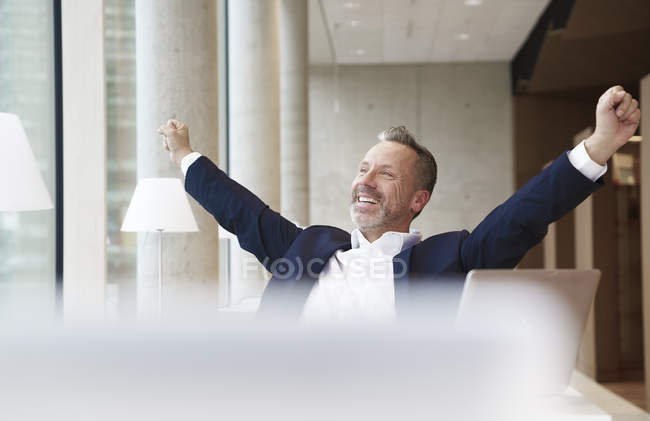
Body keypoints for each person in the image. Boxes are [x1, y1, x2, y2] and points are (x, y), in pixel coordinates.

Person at [158, 85, 641, 322]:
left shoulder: (451, 259)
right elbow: (242, 211)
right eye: (364, 168)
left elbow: (525, 214)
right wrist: (184, 155)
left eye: (385, 173)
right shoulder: (305, 247)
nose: (366, 180)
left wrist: (598, 144)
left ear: (418, 199)